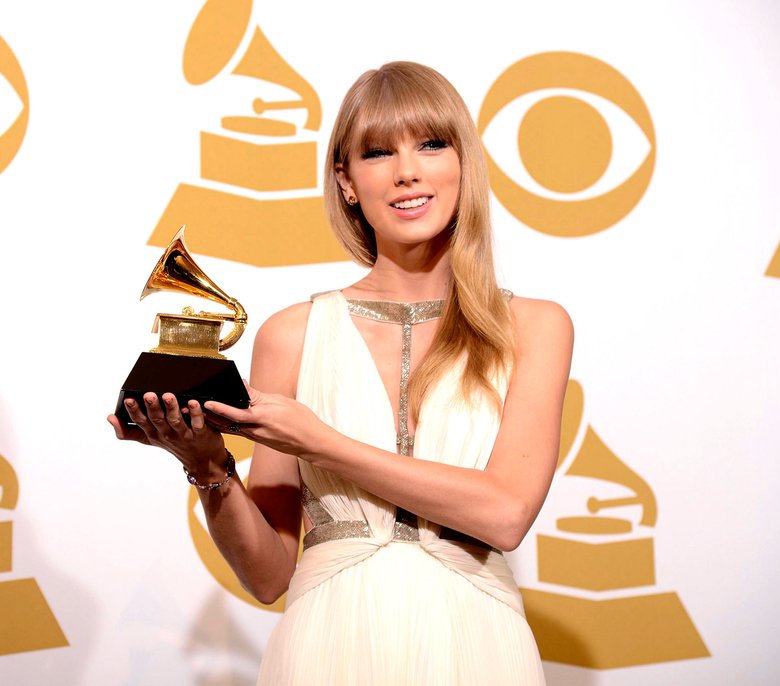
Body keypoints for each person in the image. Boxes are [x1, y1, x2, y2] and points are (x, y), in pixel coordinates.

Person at [109, 61, 573, 685]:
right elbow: (271, 574)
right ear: (347, 182)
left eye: (431, 143)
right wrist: (208, 465)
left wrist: (318, 442)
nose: (407, 170)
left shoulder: (533, 326)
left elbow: (506, 514)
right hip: (326, 646)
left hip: (478, 644)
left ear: (463, 163)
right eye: (378, 152)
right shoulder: (292, 333)